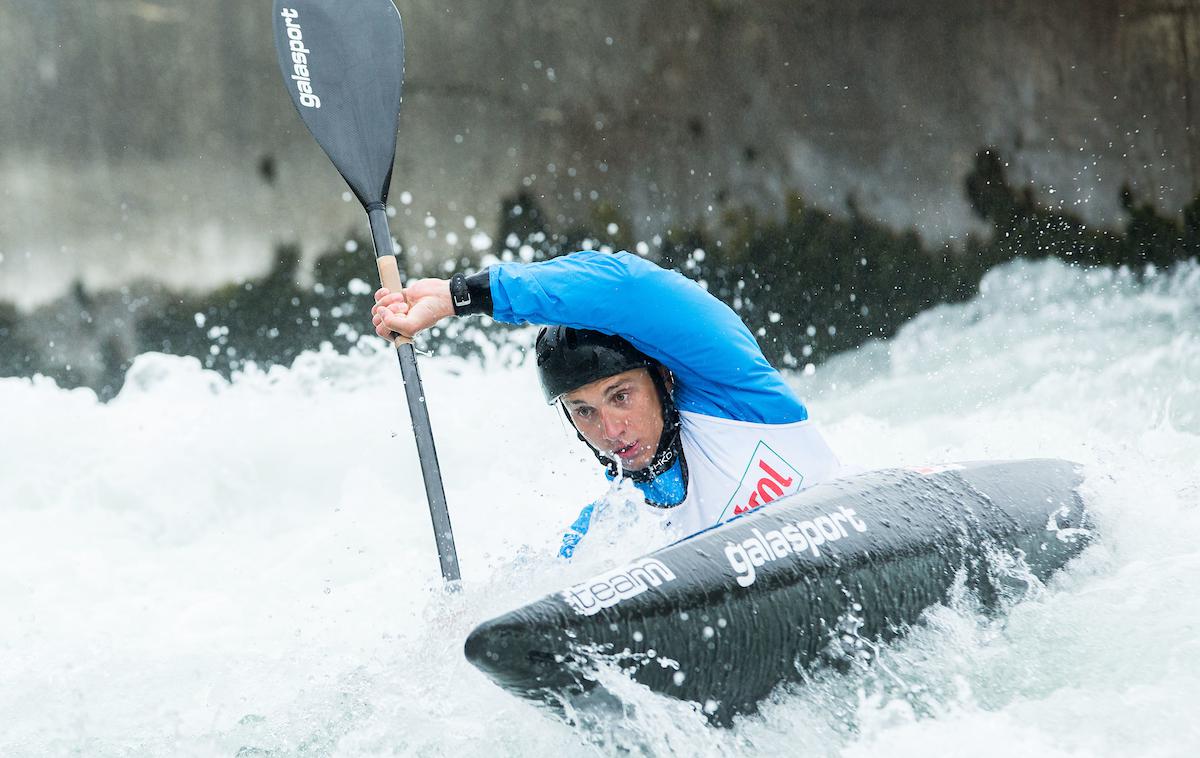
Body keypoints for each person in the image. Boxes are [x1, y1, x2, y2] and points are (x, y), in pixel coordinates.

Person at [371, 250, 841, 557]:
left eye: (621, 396)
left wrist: (462, 296)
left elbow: (627, 288)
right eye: (585, 412)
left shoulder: (740, 397)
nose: (611, 431)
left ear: (663, 378)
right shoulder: (608, 535)